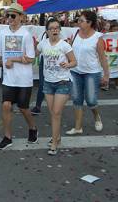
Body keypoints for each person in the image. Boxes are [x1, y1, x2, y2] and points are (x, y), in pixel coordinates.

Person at [0, 3, 38, 150]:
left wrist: (12, 60)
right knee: (6, 105)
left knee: (23, 108)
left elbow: (31, 58)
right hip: (9, 78)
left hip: (24, 79)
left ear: (21, 17)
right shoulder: (2, 34)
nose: (10, 18)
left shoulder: (26, 35)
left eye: (13, 16)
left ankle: (33, 127)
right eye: (8, 16)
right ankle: (7, 137)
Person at [36, 18, 77, 155]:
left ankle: (54, 143)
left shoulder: (65, 46)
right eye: (51, 28)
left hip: (63, 82)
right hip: (48, 83)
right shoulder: (42, 44)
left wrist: (67, 64)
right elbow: (33, 55)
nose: (54, 30)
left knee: (56, 112)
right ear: (47, 31)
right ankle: (57, 137)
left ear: (60, 30)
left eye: (57, 28)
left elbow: (74, 62)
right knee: (53, 113)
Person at [66, 10, 109, 135]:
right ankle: (78, 127)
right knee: (76, 99)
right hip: (75, 71)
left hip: (92, 73)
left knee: (91, 100)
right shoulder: (75, 33)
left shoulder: (98, 37)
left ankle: (97, 116)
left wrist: (106, 75)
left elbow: (102, 57)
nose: (78, 22)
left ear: (90, 23)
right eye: (78, 20)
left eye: (81, 20)